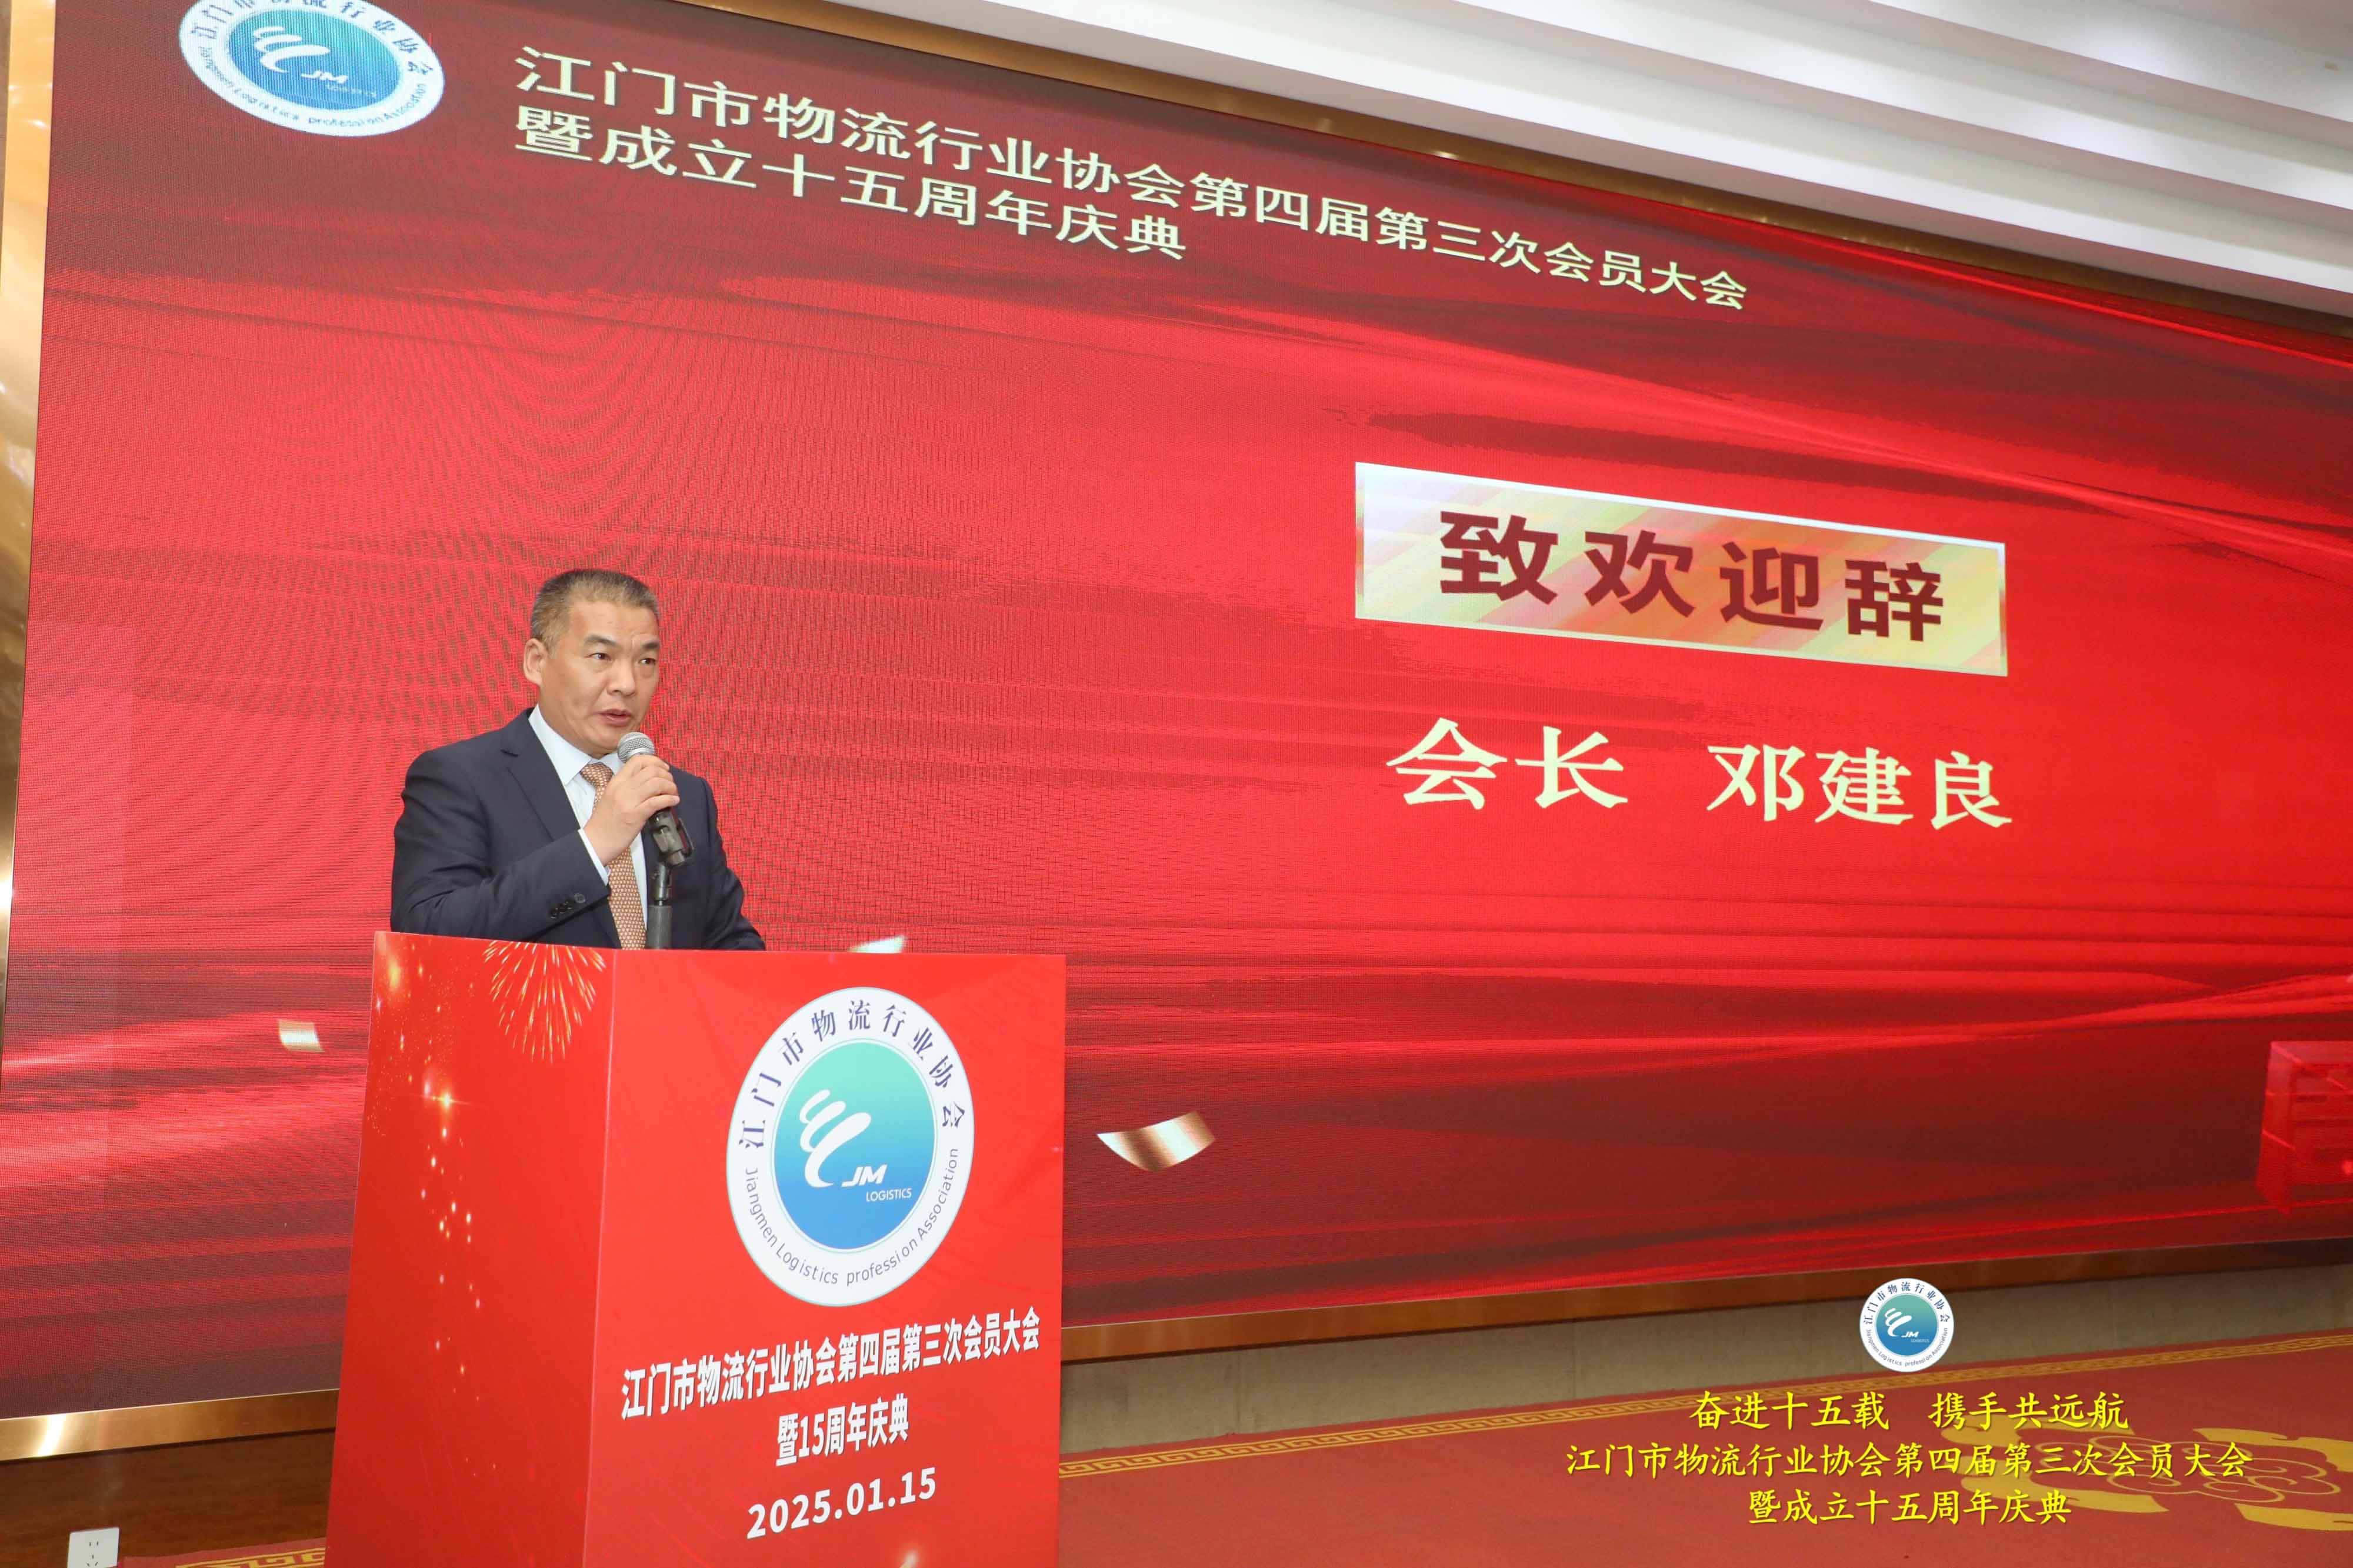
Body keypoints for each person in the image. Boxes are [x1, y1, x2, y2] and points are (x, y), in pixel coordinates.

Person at [391, 569, 763, 950]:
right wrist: (594, 845)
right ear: (537, 661)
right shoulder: (461, 778)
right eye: (601, 656)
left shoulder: (681, 794)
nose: (627, 684)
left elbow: (732, 945)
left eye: (646, 661)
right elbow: (426, 929)